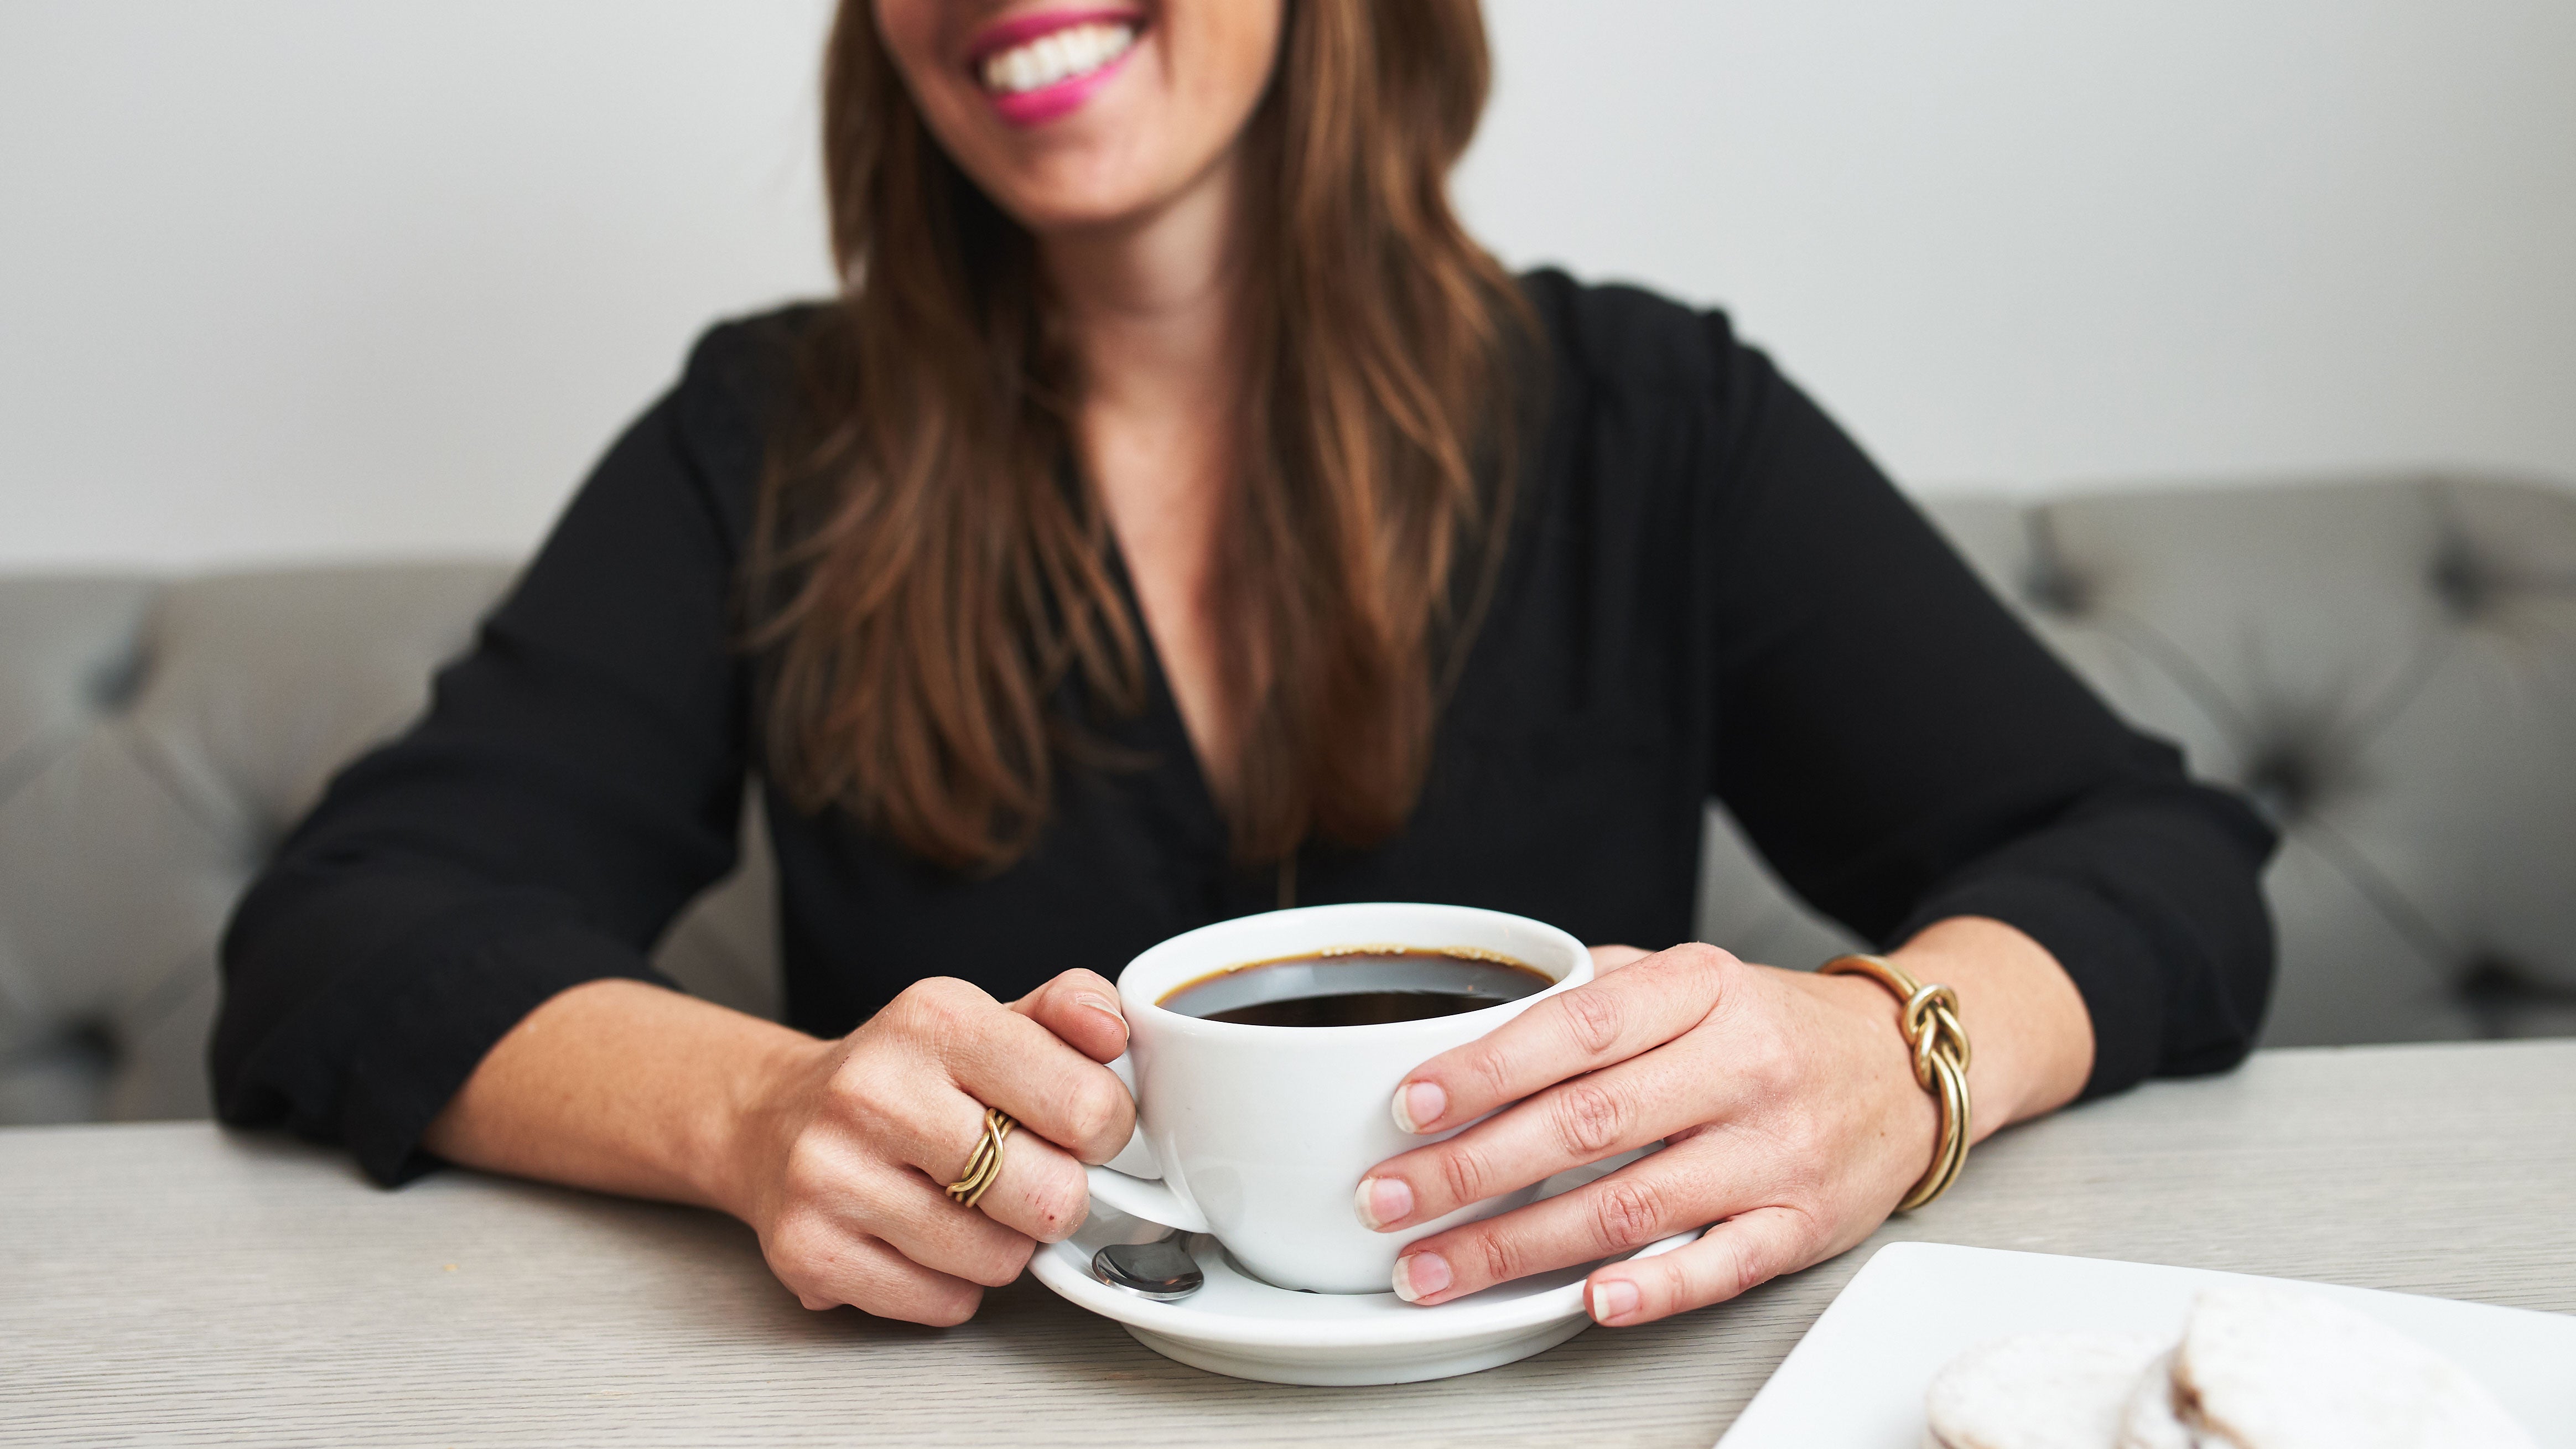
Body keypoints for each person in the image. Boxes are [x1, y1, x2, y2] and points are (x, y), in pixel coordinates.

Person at [212, 0, 2274, 1331]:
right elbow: (343, 937)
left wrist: (1900, 1058)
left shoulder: (1655, 418)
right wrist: (754, 1109)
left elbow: (2153, 857)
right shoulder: (765, 442)